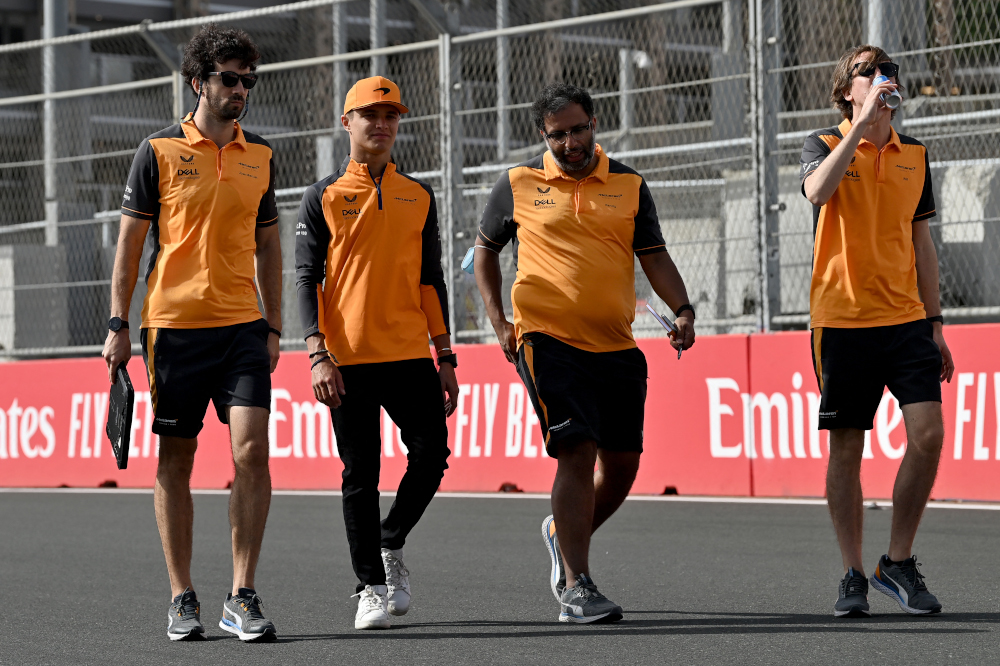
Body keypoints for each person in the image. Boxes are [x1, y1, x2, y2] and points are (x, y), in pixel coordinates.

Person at [474, 83, 696, 624]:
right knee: (578, 450)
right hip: (545, 338)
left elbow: (654, 255)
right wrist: (500, 322)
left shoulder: (629, 184)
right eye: (557, 134)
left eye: (578, 129)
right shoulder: (516, 183)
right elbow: (484, 251)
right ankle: (578, 586)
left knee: (621, 467)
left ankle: (562, 531)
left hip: (616, 343)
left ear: (594, 124)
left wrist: (683, 308)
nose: (570, 142)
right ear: (542, 135)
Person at [102, 24, 280, 642]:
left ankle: (243, 593)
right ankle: (182, 596)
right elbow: (129, 247)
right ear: (198, 81)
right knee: (176, 459)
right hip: (173, 329)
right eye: (229, 79)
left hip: (242, 330)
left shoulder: (260, 154)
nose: (240, 90)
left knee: (251, 451)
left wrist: (276, 324)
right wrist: (119, 323)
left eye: (248, 80)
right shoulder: (156, 151)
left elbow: (268, 245)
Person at [295, 76, 458, 630]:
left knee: (432, 457)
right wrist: (317, 353)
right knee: (360, 474)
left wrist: (446, 357)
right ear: (347, 122)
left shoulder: (419, 195)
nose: (382, 125)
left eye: (391, 115)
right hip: (347, 359)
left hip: (411, 354)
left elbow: (431, 281)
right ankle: (369, 586)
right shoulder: (322, 196)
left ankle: (391, 542)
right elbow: (305, 280)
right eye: (370, 115)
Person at [800, 44, 955, 618]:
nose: (882, 78)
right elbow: (817, 193)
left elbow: (922, 244)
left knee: (929, 436)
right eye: (868, 72)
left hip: (907, 320)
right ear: (848, 89)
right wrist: (860, 127)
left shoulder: (915, 153)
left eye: (886, 71)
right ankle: (852, 572)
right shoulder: (822, 144)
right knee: (847, 449)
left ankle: (899, 561)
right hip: (842, 321)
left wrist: (936, 324)